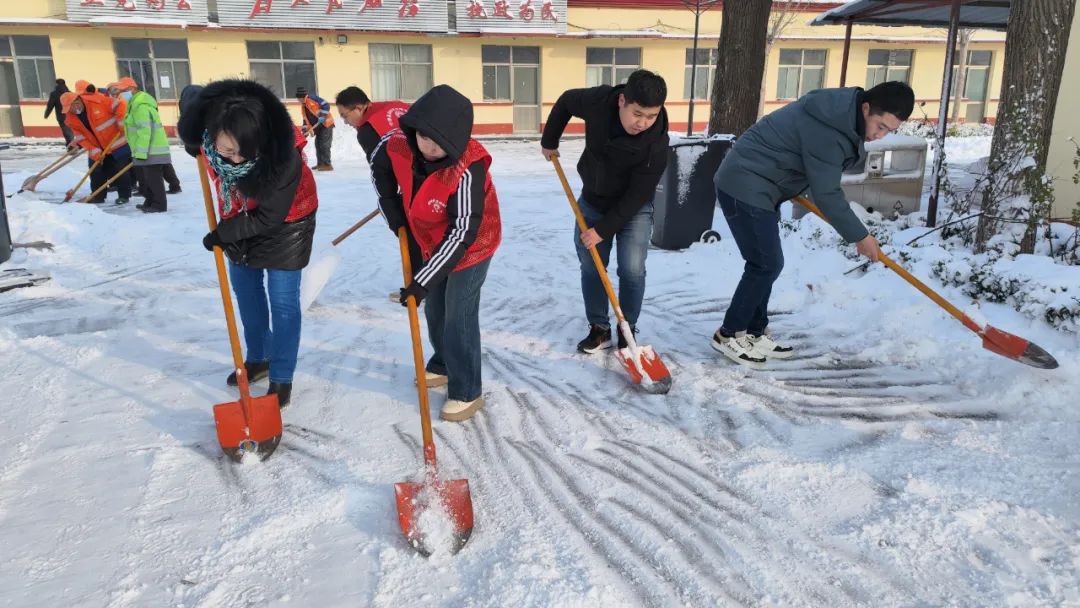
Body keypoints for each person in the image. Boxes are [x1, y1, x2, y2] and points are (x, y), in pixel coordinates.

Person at [710, 81, 915, 368]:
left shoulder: (842, 114)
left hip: (766, 184)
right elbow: (827, 193)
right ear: (866, 107)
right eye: (880, 126)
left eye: (888, 131)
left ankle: (754, 331)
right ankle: (729, 333)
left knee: (766, 262)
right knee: (765, 264)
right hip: (745, 183)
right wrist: (860, 236)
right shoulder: (831, 128)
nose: (879, 136)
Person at [179, 79, 319, 409]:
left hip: (287, 222)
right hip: (237, 215)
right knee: (246, 292)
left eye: (243, 152)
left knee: (283, 303)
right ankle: (259, 358)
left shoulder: (283, 157)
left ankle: (281, 376)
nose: (234, 159)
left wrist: (223, 234)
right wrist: (196, 145)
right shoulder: (211, 140)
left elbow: (268, 218)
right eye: (225, 151)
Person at [371, 84, 501, 422]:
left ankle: (467, 390)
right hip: (430, 236)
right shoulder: (398, 142)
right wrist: (391, 205)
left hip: (472, 244)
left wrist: (422, 281)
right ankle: (443, 362)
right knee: (436, 312)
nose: (429, 147)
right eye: (424, 137)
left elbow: (462, 232)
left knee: (458, 313)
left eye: (440, 142)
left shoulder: (467, 168)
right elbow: (378, 166)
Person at [540, 69, 670, 354]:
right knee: (592, 267)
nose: (643, 123)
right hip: (593, 200)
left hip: (633, 210)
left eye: (651, 116)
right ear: (622, 100)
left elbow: (636, 196)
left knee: (632, 269)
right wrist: (550, 139)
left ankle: (628, 329)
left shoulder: (657, 144)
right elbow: (564, 102)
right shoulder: (599, 101)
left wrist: (602, 231)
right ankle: (599, 327)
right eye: (638, 114)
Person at [62, 88, 133, 204]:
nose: (74, 109)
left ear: (79, 100)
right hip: (96, 146)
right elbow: (81, 138)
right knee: (95, 171)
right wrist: (93, 149)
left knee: (120, 170)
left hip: (116, 142)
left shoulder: (97, 101)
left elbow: (120, 104)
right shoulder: (70, 119)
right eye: (70, 108)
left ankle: (124, 196)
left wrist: (121, 122)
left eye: (75, 105)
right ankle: (98, 197)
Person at [116, 77, 171, 213]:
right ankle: (150, 201)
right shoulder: (135, 104)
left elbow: (144, 131)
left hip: (151, 150)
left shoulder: (140, 106)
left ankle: (159, 205)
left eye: (123, 90)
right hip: (147, 150)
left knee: (153, 180)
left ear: (132, 89)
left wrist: (140, 152)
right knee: (147, 180)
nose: (121, 94)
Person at [334, 86, 409, 162]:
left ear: (358, 109)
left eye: (345, 116)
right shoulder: (398, 104)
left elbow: (380, 168)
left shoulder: (368, 130)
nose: (345, 122)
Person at [295, 86, 334, 171]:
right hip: (319, 126)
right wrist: (305, 131)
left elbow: (326, 104)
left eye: (298, 98)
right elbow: (305, 120)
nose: (298, 100)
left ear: (301, 97)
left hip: (326, 123)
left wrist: (323, 115)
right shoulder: (303, 106)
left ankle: (327, 165)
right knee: (318, 144)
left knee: (324, 145)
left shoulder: (312, 99)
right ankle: (320, 164)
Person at [44, 79, 73, 145]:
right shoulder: (70, 93)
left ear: (56, 84)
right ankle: (71, 144)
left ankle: (71, 144)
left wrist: (46, 115)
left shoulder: (54, 94)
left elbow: (50, 105)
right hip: (71, 115)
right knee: (70, 130)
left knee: (66, 130)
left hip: (61, 116)